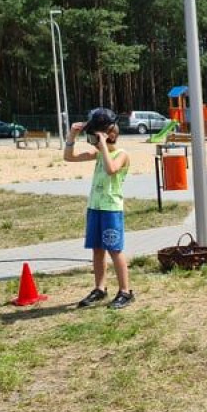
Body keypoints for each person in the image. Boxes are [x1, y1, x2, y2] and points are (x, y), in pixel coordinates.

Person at [63, 108, 134, 310]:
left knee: (114, 249)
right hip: (95, 206)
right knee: (97, 250)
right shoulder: (97, 154)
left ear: (110, 135)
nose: (93, 139)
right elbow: (69, 157)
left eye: (96, 135)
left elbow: (112, 170)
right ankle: (100, 288)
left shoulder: (122, 154)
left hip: (111, 208)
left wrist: (102, 145)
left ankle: (125, 292)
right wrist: (71, 136)